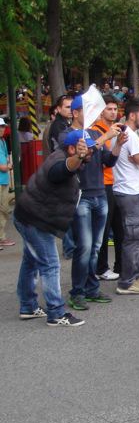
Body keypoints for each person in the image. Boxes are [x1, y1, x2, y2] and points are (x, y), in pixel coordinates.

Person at [13, 131, 90, 326]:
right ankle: (56, 313)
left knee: (31, 261)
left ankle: (27, 306)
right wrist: (79, 157)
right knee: (50, 264)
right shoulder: (59, 161)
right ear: (72, 149)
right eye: (84, 148)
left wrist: (106, 141)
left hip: (30, 216)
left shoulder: (69, 155)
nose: (89, 151)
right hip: (34, 220)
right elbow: (62, 170)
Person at [60, 98, 126, 311]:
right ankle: (77, 292)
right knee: (84, 246)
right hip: (81, 196)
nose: (93, 113)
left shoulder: (96, 134)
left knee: (96, 247)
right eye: (87, 110)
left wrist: (117, 144)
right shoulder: (67, 134)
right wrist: (107, 136)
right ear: (77, 113)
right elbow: (81, 156)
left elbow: (108, 161)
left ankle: (91, 288)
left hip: (100, 193)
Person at [113, 97, 139, 294]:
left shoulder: (124, 132)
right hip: (129, 192)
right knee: (134, 238)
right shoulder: (131, 135)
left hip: (131, 190)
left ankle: (136, 275)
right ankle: (127, 281)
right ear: (132, 115)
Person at [92, 96, 124, 282]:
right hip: (104, 183)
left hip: (118, 183)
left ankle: (120, 265)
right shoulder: (97, 131)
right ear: (101, 111)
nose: (113, 112)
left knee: (119, 228)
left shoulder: (118, 129)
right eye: (109, 109)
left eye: (115, 108)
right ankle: (101, 267)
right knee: (103, 229)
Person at [0, 116, 15, 247]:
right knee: (2, 208)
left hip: (3, 180)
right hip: (2, 177)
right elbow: (2, 165)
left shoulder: (3, 141)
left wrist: (8, 164)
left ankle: (2, 237)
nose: (2, 129)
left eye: (3, 126)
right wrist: (7, 166)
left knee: (4, 209)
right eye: (0, 126)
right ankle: (1, 237)